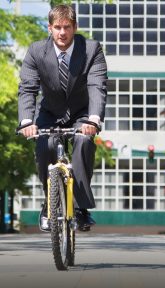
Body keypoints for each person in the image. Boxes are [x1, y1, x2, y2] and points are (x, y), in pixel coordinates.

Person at [18, 5, 107, 232]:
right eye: (57, 27)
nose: (62, 33)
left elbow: (97, 86)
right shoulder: (37, 51)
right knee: (44, 146)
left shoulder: (91, 49)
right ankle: (50, 201)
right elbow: (28, 89)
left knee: (84, 143)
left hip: (82, 113)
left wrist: (94, 119)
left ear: (75, 27)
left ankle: (80, 208)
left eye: (67, 27)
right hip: (49, 112)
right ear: (50, 28)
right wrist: (27, 121)